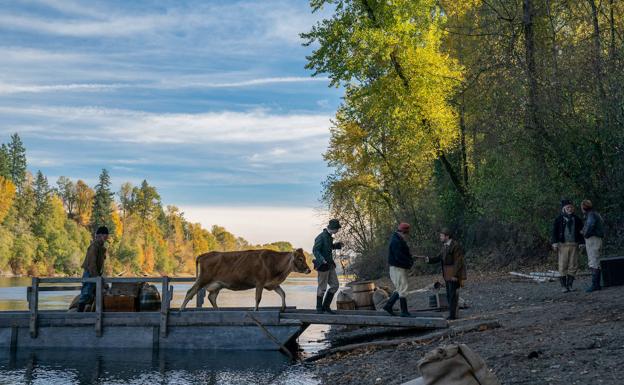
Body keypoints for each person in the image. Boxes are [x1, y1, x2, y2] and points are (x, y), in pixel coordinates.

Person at [426, 228, 466, 320]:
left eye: (441, 236)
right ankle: (453, 314)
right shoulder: (445, 246)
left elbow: (458, 262)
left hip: (453, 274)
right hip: (447, 274)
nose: (440, 237)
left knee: (452, 295)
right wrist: (429, 260)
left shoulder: (455, 246)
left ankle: (452, 316)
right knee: (449, 294)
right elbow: (439, 257)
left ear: (447, 236)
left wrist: (455, 275)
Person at [551, 199, 584, 293]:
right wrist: (554, 242)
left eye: (571, 207)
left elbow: (581, 232)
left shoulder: (577, 219)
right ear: (563, 209)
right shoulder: (558, 219)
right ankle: (563, 286)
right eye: (567, 207)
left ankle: (570, 285)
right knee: (562, 265)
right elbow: (554, 232)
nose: (570, 209)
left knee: (573, 265)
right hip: (563, 245)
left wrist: (582, 243)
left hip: (574, 244)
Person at [383, 222, 414, 317]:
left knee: (400, 288)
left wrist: (410, 259)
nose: (407, 236)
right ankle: (404, 312)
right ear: (403, 232)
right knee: (403, 288)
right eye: (406, 234)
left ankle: (388, 306)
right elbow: (399, 257)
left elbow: (404, 253)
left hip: (398, 267)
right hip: (397, 267)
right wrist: (409, 263)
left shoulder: (398, 239)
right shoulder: (396, 241)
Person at [313, 219, 343, 314]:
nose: (338, 231)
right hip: (322, 265)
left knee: (335, 285)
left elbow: (329, 247)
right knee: (322, 288)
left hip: (330, 265)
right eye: (337, 229)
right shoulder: (321, 237)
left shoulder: (329, 237)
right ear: (333, 228)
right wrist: (322, 259)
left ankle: (326, 306)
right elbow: (315, 250)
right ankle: (319, 308)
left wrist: (337, 245)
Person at [77, 226, 109, 312]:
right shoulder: (94, 247)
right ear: (100, 235)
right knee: (86, 294)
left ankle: (92, 314)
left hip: (95, 274)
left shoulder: (101, 248)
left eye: (107, 235)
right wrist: (97, 278)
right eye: (105, 235)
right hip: (90, 274)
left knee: (96, 294)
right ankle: (78, 315)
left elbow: (100, 265)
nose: (107, 237)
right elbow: (92, 265)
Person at [581, 199, 604, 292]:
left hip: (593, 239)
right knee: (595, 260)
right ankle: (596, 284)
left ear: (583, 207)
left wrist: (585, 234)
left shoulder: (591, 214)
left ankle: (595, 285)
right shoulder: (594, 213)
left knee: (594, 261)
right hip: (596, 238)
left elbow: (590, 226)